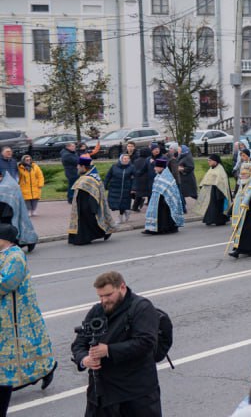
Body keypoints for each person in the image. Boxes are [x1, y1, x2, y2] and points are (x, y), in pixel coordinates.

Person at [72, 271, 162, 416]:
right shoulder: (97, 311)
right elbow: (79, 344)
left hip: (135, 394)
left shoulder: (141, 308)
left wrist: (108, 350)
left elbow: (146, 342)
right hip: (101, 395)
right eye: (100, 296)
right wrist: (84, 359)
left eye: (108, 295)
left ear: (122, 287)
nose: (104, 301)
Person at [0, 224, 56, 415]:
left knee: (23, 347)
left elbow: (7, 282)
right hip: (6, 314)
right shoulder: (3, 253)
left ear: (5, 239)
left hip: (17, 315)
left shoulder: (15, 256)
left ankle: (47, 368)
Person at [68, 156, 112, 246]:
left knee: (89, 221)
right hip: (82, 203)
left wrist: (91, 207)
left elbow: (93, 194)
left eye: (78, 166)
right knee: (86, 222)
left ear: (83, 167)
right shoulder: (89, 175)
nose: (77, 167)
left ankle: (99, 233)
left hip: (87, 204)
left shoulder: (89, 178)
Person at [227, 162, 251, 259]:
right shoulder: (242, 184)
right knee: (242, 231)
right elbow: (238, 197)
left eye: (244, 174)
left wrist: (249, 202)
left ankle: (238, 250)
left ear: (250, 174)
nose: (242, 176)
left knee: (246, 232)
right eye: (241, 174)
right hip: (242, 211)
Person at [143, 156, 184, 235]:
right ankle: (154, 228)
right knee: (158, 215)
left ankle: (165, 228)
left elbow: (171, 190)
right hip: (156, 200)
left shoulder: (167, 177)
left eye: (156, 167)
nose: (154, 168)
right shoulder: (158, 176)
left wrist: (166, 199)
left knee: (164, 215)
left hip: (165, 200)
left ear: (161, 167)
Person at [0, 171, 37, 254]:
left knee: (15, 228)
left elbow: (15, 197)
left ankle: (29, 242)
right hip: (2, 211)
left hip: (11, 211)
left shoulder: (10, 184)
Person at [198, 155, 231, 226]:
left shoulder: (220, 169)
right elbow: (207, 178)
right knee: (210, 206)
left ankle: (220, 220)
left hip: (218, 191)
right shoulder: (211, 169)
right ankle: (209, 220)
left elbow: (222, 181)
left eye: (210, 160)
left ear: (215, 162)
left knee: (217, 206)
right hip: (211, 190)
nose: (208, 162)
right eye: (208, 160)